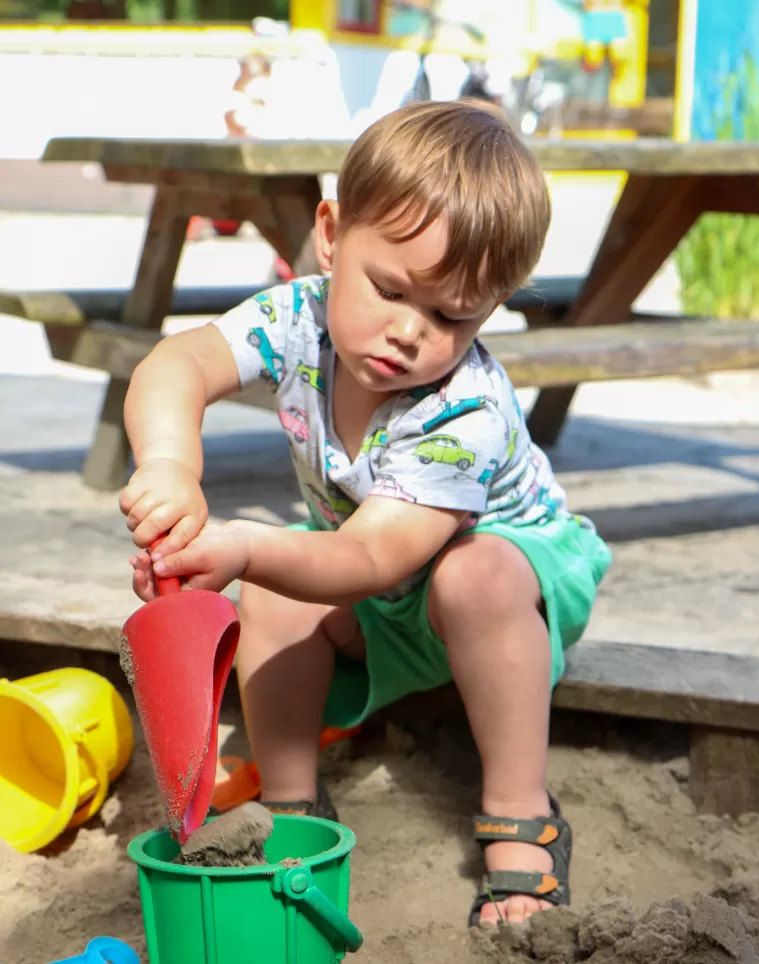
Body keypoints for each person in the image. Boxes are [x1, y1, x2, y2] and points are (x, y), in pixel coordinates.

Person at [119, 99, 612, 928]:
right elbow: (179, 362)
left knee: (469, 578)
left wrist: (241, 544)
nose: (408, 332)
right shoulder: (298, 319)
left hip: (511, 574)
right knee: (276, 584)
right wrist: (171, 465)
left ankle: (520, 810)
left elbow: (377, 555)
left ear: (487, 310)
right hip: (387, 586)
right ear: (332, 233)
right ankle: (293, 805)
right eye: (388, 289)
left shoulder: (463, 410)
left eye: (451, 315)